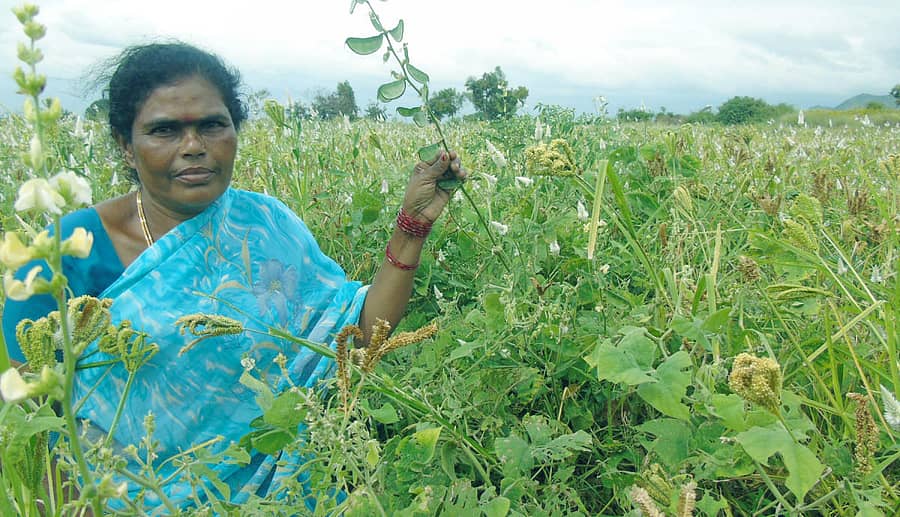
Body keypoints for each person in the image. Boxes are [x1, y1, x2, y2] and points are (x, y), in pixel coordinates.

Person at [1, 42, 465, 509]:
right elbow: (39, 433)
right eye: (164, 130)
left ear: (235, 131)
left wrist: (413, 226)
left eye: (212, 125)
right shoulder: (64, 257)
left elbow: (359, 338)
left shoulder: (265, 223)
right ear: (126, 145)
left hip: (296, 496)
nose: (193, 147)